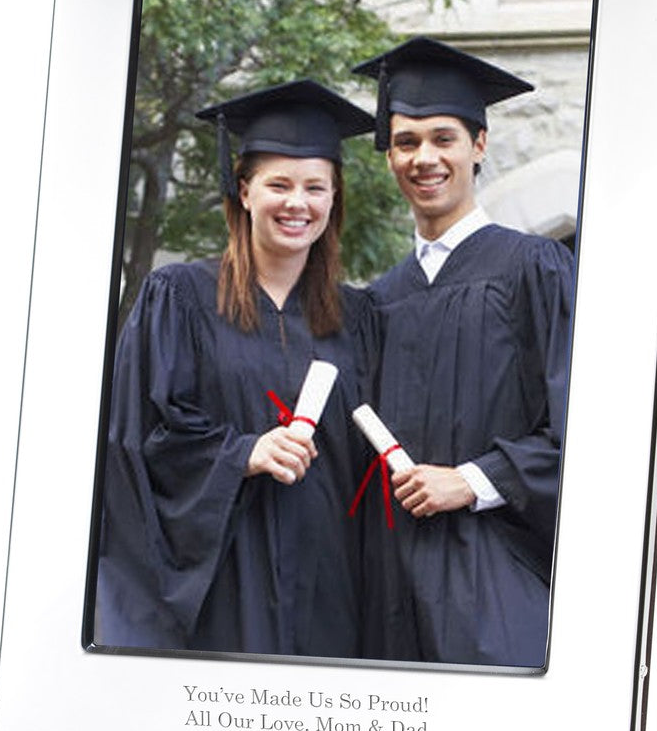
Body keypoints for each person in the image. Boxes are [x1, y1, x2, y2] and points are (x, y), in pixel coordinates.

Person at [95, 80, 376, 659]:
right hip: (223, 580)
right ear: (244, 191)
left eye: (314, 187)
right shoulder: (179, 297)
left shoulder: (358, 317)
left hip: (330, 583)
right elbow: (137, 437)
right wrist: (242, 452)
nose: (297, 203)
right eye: (279, 184)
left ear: (333, 199)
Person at [352, 37, 575, 668]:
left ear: (478, 145)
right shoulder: (380, 300)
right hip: (391, 591)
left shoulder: (534, 268)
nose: (424, 157)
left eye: (443, 138)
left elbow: (585, 426)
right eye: (406, 142)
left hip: (497, 577)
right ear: (389, 157)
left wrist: (474, 481)